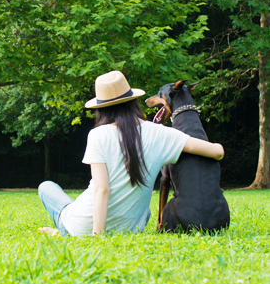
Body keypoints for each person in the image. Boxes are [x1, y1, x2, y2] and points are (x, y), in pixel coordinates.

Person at [38, 71, 224, 237]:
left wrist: (97, 236)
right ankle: (64, 228)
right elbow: (217, 151)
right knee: (76, 202)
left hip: (84, 226)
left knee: (47, 187)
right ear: (133, 101)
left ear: (101, 108)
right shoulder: (161, 133)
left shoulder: (97, 135)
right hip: (130, 227)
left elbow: (102, 190)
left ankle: (63, 231)